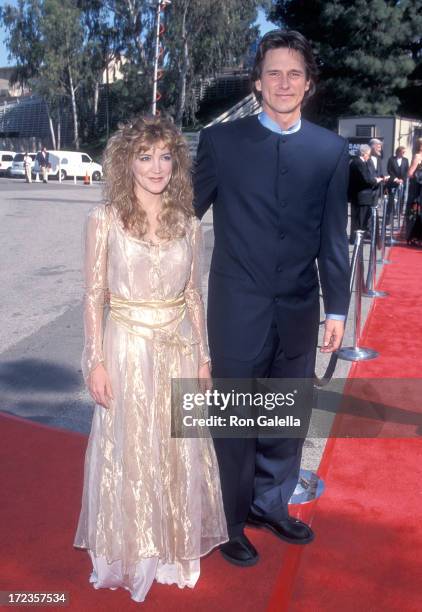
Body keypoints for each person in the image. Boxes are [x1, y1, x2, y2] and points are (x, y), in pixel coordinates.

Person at [193, 29, 350, 567]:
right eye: (273, 73)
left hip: (301, 309)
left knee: (286, 416)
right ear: (257, 82)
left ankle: (270, 503)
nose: (284, 83)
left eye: (295, 74)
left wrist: (337, 307)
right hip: (237, 310)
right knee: (235, 422)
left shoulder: (331, 151)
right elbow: (181, 219)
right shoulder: (222, 143)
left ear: (309, 84)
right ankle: (230, 520)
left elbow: (333, 234)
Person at [73, 115, 227, 602]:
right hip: (127, 348)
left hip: (179, 348)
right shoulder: (104, 220)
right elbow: (94, 293)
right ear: (126, 162)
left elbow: (194, 296)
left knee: (177, 449)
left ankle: (171, 548)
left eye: (165, 156)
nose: (156, 167)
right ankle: (131, 549)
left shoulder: (187, 222)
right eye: (145, 156)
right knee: (130, 449)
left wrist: (203, 359)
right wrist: (94, 361)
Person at [348, 144, 383, 243]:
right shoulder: (359, 163)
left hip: (360, 195)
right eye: (368, 154)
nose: (369, 156)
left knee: (358, 219)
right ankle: (356, 240)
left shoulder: (357, 162)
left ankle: (355, 239)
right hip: (361, 196)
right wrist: (376, 180)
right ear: (364, 154)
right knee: (360, 220)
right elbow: (366, 179)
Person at [405, 137, 422, 245]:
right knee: (415, 213)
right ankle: (413, 237)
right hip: (417, 190)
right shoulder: (417, 156)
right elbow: (410, 173)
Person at [386, 146, 409, 221]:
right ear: (398, 152)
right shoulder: (391, 159)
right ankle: (390, 213)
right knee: (391, 197)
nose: (403, 153)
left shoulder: (406, 160)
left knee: (402, 197)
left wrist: (402, 179)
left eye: (404, 152)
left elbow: (406, 171)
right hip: (393, 181)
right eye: (402, 152)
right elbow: (389, 170)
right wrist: (395, 179)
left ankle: (400, 212)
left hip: (402, 181)